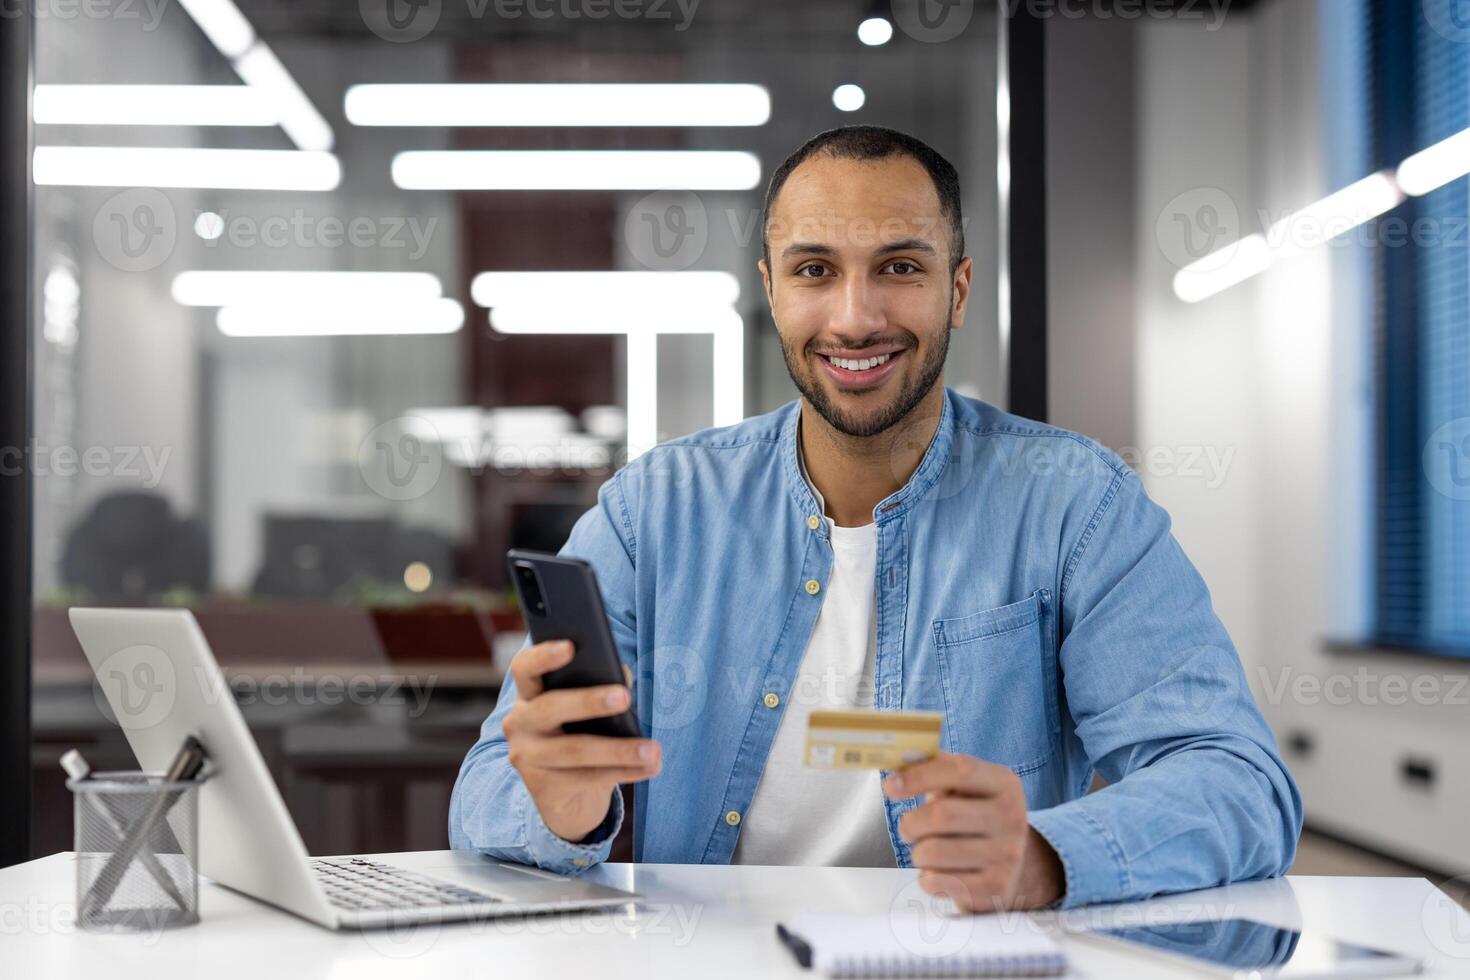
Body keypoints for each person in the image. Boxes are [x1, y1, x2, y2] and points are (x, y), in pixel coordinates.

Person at [450, 125, 1302, 911]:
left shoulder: (1073, 503)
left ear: (958, 288)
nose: (856, 317)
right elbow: (487, 788)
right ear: (773, 291)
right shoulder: (654, 511)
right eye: (815, 269)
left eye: (900, 267)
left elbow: (1238, 781)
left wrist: (1044, 853)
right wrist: (556, 807)